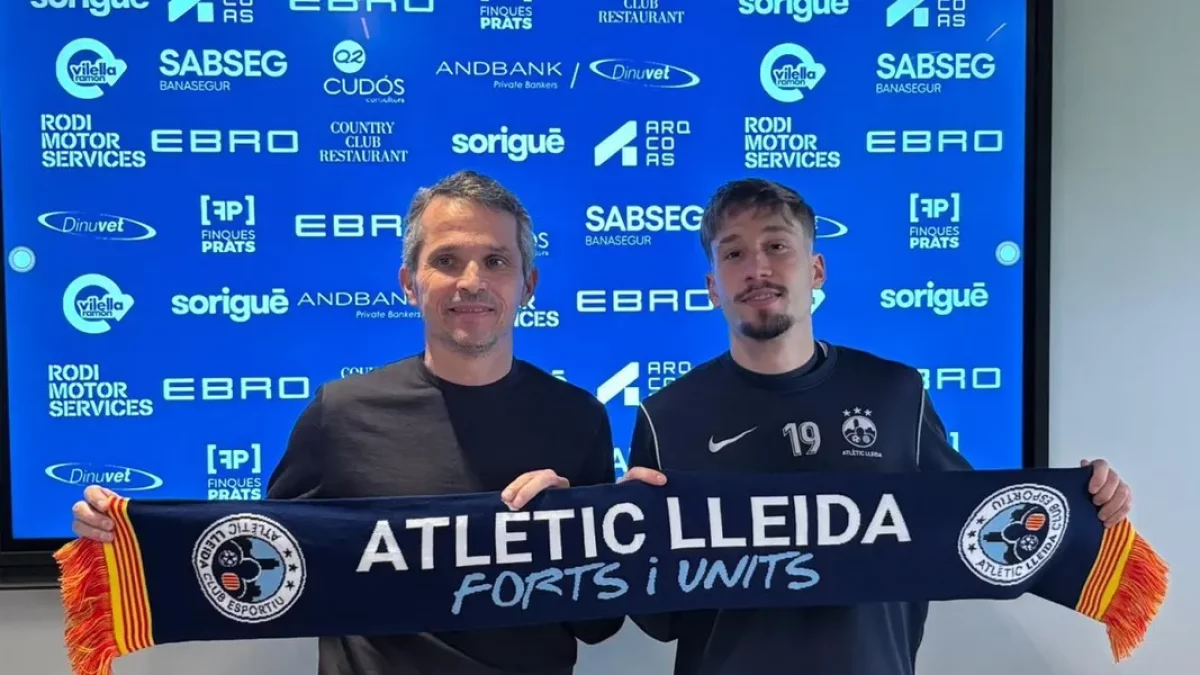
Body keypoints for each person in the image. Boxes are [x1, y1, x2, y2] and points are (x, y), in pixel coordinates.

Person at [70, 170, 625, 675]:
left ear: (528, 284)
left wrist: (577, 528)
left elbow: (600, 625)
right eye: (447, 260)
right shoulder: (339, 415)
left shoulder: (577, 418)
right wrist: (126, 538)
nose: (471, 281)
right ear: (410, 282)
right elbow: (265, 569)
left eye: (497, 261)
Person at [611, 177, 1134, 675]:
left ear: (816, 270)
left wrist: (1083, 504)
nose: (757, 269)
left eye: (777, 247)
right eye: (733, 254)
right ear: (711, 286)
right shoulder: (666, 415)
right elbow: (662, 621)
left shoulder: (894, 393)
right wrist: (634, 538)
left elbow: (972, 531)